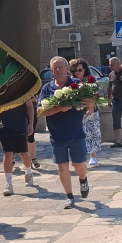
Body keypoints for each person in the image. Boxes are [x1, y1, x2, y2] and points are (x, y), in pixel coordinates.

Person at [38, 56, 90, 208]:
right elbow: (40, 111)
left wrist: (90, 106)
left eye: (61, 67)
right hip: (57, 135)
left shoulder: (76, 84)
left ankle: (83, 179)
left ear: (67, 69)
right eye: (55, 68)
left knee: (79, 165)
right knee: (62, 167)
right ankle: (70, 197)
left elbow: (89, 101)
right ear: (51, 70)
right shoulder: (47, 88)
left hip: (76, 133)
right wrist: (59, 108)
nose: (58, 70)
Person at [0, 97, 36, 196]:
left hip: (21, 125)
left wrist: (30, 124)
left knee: (23, 153)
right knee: (8, 153)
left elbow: (30, 107)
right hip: (5, 126)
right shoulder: (0, 92)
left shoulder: (22, 90)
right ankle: (8, 184)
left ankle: (29, 173)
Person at [71, 58, 102, 166]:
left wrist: (91, 108)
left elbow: (95, 96)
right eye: (75, 70)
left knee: (93, 132)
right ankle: (80, 156)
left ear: (84, 70)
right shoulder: (71, 82)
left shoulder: (90, 81)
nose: (77, 72)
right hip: (77, 112)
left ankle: (93, 156)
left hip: (91, 111)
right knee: (80, 135)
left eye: (79, 70)